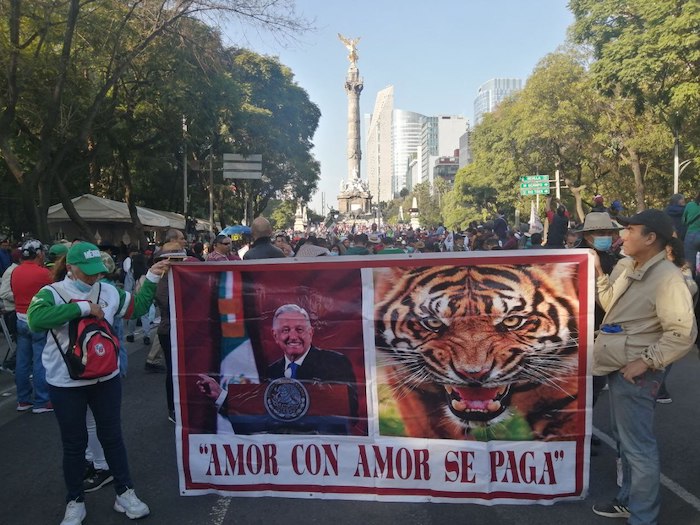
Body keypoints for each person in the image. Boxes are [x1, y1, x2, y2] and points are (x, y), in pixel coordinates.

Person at [27, 242, 171, 525]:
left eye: (97, 272)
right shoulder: (52, 293)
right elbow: (35, 320)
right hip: (66, 382)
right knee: (74, 444)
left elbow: (137, 307)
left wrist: (153, 276)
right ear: (70, 267)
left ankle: (125, 492)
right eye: (87, 273)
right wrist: (82, 307)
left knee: (112, 436)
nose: (94, 278)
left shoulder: (108, 290)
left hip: (106, 377)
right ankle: (75, 500)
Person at [591, 209, 697, 524]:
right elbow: (611, 306)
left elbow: (682, 334)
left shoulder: (666, 277)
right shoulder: (633, 268)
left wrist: (645, 362)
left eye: (630, 230)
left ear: (650, 238)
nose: (622, 236)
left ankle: (642, 517)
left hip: (634, 373)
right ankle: (629, 502)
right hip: (619, 364)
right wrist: (599, 273)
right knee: (625, 442)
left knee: (638, 449)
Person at [198, 304, 358, 434]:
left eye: (300, 329)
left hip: (323, 459)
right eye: (285, 330)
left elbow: (349, 411)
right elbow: (254, 416)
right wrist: (220, 395)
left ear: (311, 333)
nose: (293, 336)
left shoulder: (335, 362)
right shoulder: (270, 373)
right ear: (275, 336)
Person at [12, 239, 53, 413]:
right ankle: (42, 401)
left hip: (20, 319)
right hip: (38, 320)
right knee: (40, 360)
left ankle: (23, 400)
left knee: (22, 362)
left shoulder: (15, 272)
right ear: (39, 254)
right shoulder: (44, 273)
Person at [681, 191, 700, 276]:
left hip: (691, 235)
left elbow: (683, 221)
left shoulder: (690, 205)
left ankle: (691, 285)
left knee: (689, 263)